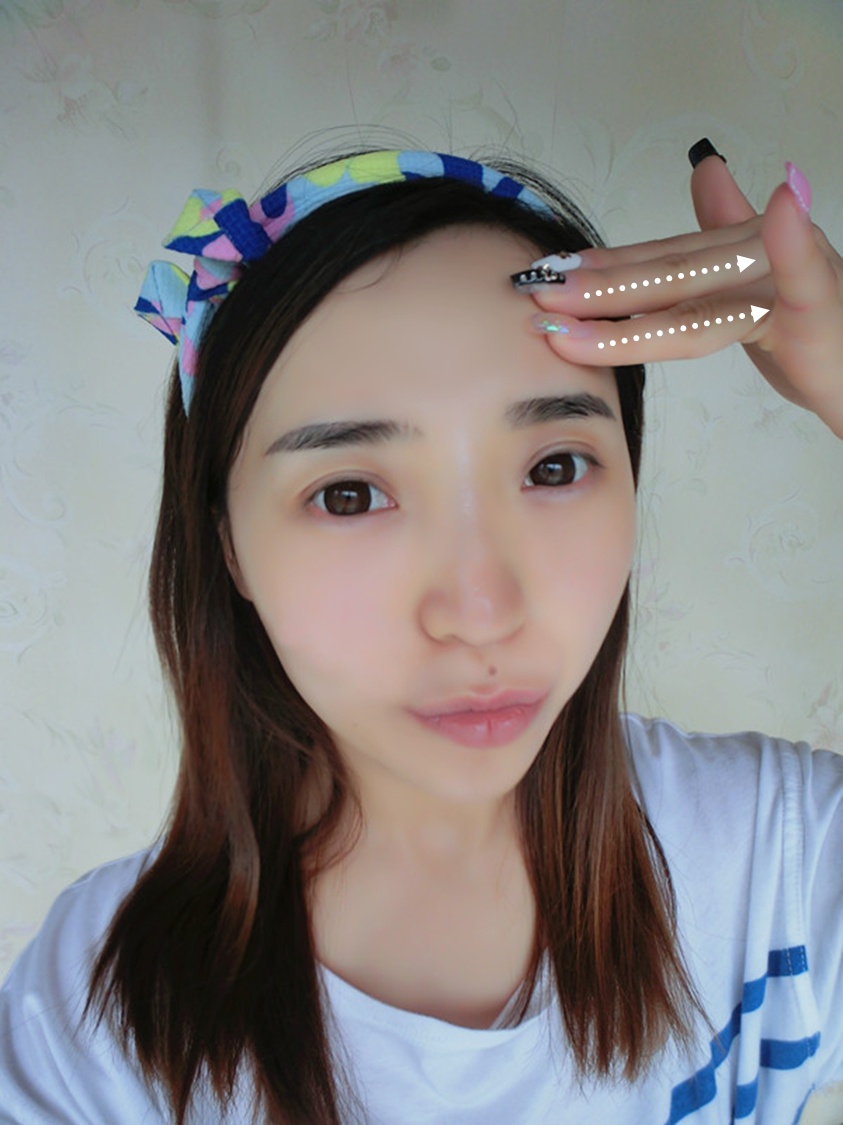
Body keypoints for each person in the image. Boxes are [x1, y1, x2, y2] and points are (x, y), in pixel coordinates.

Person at [0, 141, 841, 1124]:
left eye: (555, 468)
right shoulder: (103, 1014)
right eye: (350, 494)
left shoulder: (778, 863)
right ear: (227, 544)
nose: (481, 611)